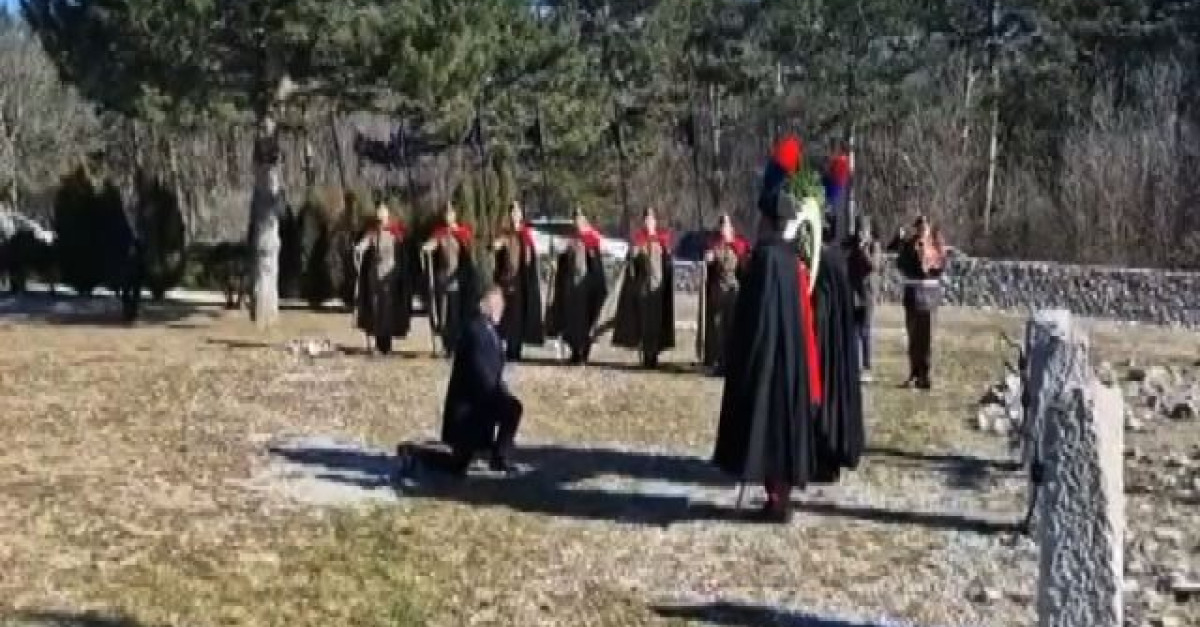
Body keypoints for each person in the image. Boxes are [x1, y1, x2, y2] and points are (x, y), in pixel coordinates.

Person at [712, 134, 823, 524]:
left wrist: (743, 355)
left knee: (769, 430)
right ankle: (779, 497)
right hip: (788, 362)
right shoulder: (791, 262)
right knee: (782, 430)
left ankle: (778, 502)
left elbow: (754, 316)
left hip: (767, 362)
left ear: (769, 222)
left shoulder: (766, 260)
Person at [411, 286, 524, 476]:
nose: (501, 310)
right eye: (497, 305)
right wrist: (497, 396)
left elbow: (494, 372)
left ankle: (500, 457)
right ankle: (417, 455)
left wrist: (501, 393)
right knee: (457, 465)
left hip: (480, 402)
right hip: (468, 410)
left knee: (512, 408)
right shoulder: (476, 331)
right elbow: (480, 373)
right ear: (485, 306)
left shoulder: (489, 330)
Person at [612, 206, 675, 368]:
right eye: (646, 219)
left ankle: (654, 354)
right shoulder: (639, 240)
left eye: (651, 219)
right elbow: (631, 264)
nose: (649, 221)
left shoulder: (662, 240)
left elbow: (668, 264)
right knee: (645, 322)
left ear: (655, 221)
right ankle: (646, 354)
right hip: (642, 287)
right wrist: (633, 253)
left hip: (658, 288)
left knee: (656, 322)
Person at [545, 208, 608, 365]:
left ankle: (583, 353)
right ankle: (575, 352)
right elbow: (564, 262)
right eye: (575, 218)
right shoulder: (571, 240)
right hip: (571, 289)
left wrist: (595, 286)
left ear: (585, 220)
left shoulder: (592, 239)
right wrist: (557, 263)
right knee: (572, 322)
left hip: (586, 289)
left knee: (585, 322)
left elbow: (596, 266)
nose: (577, 221)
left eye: (580, 218)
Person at [353, 201, 412, 354]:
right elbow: (363, 245)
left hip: (390, 278)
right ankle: (378, 343)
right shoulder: (372, 233)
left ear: (388, 215)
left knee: (387, 311)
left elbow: (402, 254)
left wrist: (400, 273)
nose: (380, 215)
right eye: (379, 212)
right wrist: (358, 249)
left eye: (383, 212)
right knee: (375, 310)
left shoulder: (395, 233)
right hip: (374, 277)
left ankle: (386, 344)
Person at [895, 216, 946, 390]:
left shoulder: (936, 245)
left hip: (929, 298)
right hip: (913, 297)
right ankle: (914, 373)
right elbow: (901, 265)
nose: (922, 230)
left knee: (927, 339)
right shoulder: (909, 245)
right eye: (919, 227)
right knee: (913, 338)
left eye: (924, 227)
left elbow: (940, 266)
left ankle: (926, 375)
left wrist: (928, 258)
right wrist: (912, 253)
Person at [422, 202, 477, 356]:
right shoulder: (440, 234)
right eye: (446, 214)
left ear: (455, 215)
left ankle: (456, 344)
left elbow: (468, 256)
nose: (448, 216)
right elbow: (432, 244)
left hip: (458, 280)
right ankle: (446, 345)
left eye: (451, 213)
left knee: (456, 314)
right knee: (444, 313)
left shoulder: (462, 233)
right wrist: (426, 247)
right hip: (443, 279)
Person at [491, 200, 544, 361]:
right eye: (512, 212)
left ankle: (516, 349)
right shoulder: (505, 234)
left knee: (518, 316)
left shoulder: (526, 234)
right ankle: (507, 348)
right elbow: (496, 246)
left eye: (517, 211)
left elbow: (532, 255)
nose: (515, 214)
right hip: (506, 281)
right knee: (506, 316)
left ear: (521, 214)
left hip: (521, 281)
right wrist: (497, 245)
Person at [700, 213, 750, 375]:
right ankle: (720, 362)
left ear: (731, 227)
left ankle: (733, 362)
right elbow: (709, 259)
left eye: (726, 225)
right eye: (721, 225)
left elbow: (745, 266)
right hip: (718, 291)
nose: (723, 228)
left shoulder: (739, 245)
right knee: (719, 329)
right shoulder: (716, 245)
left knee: (733, 328)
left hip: (733, 292)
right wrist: (709, 257)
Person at [846, 215, 882, 382]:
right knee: (853, 330)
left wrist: (864, 251)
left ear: (869, 231)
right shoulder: (852, 246)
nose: (861, 233)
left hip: (868, 293)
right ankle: (854, 365)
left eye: (864, 230)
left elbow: (873, 266)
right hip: (854, 292)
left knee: (865, 330)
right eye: (859, 230)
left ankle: (867, 367)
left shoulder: (874, 246)